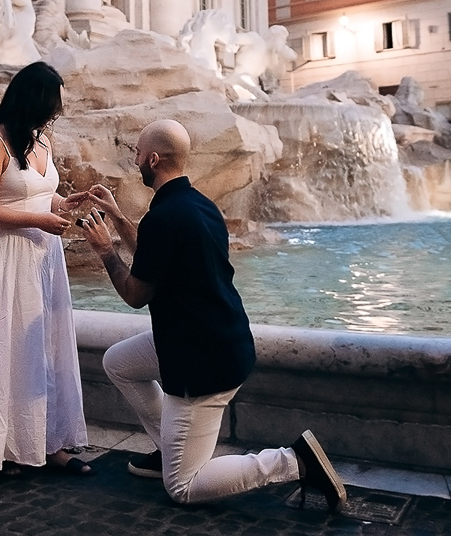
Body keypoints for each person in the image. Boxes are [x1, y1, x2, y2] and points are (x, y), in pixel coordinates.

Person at [78, 119, 347, 510]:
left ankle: (294, 461)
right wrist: (118, 218)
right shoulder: (198, 206)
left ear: (153, 159)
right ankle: (168, 448)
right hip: (212, 339)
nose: (134, 160)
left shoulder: (164, 217)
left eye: (137, 153)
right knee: (118, 362)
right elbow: (154, 257)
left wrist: (105, 250)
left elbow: (135, 294)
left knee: (183, 487)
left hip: (200, 360)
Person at [0, 62, 93, 477]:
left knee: (45, 344)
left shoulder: (42, 139)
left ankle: (50, 443)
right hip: (8, 255)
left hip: (44, 256)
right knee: (8, 345)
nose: (56, 111)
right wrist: (37, 220)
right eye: (53, 103)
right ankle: (3, 448)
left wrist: (64, 203)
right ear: (33, 99)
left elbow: (42, 195)